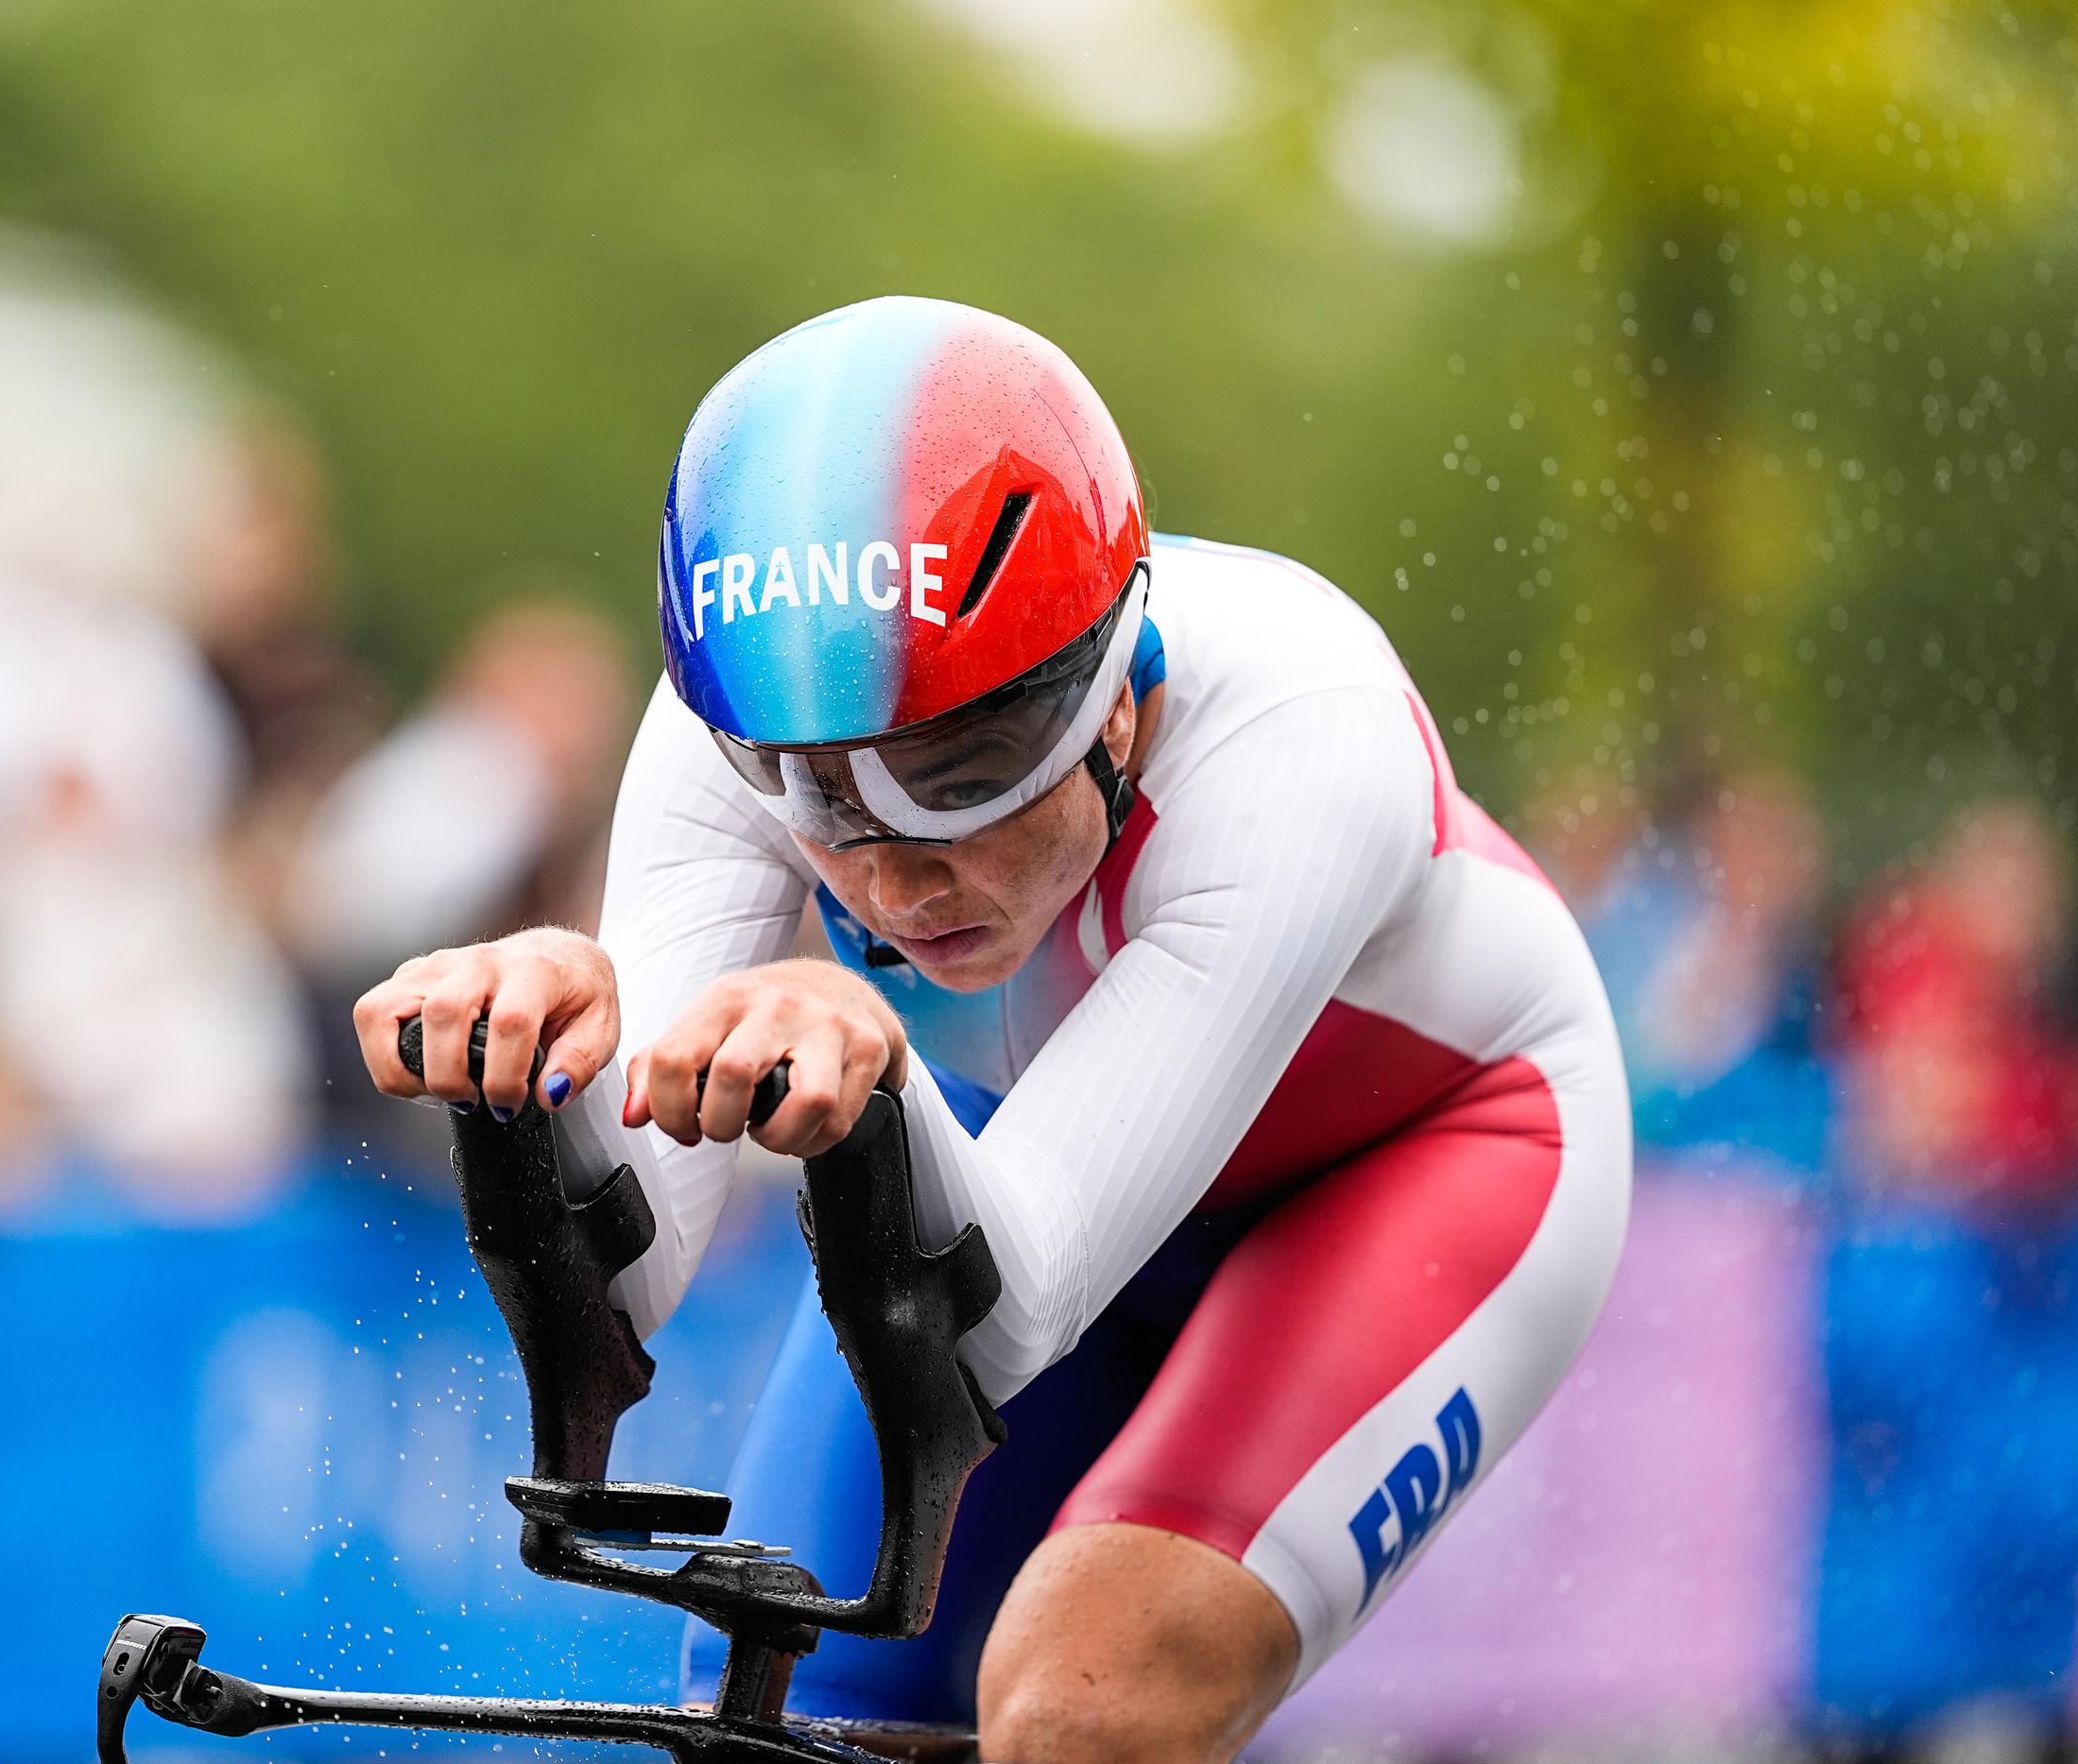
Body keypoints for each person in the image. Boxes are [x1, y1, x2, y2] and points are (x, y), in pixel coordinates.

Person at [353, 298, 1631, 1763]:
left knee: (1085, 1704)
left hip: (1426, 1161)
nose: (897, 878)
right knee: (784, 1719)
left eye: (968, 766)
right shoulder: (737, 713)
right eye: (823, 792)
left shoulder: (1299, 733)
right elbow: (631, 1276)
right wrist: (527, 1080)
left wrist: (875, 1065)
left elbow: (1006, 1317)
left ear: (1116, 704)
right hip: (1023, 1166)